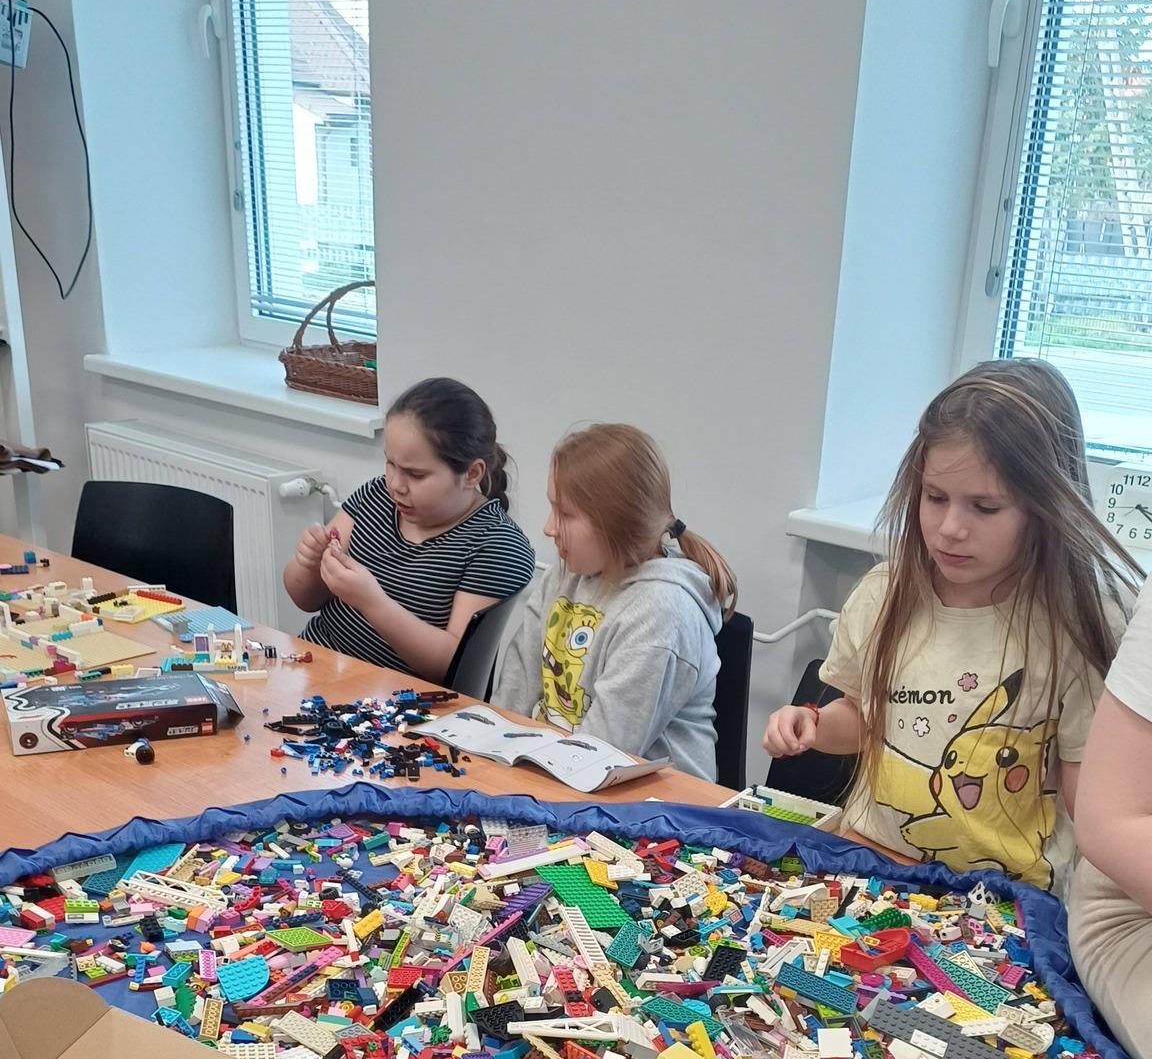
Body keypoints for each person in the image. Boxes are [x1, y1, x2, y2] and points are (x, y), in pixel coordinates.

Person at [761, 360, 1140, 891]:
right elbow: (865, 718)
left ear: (1047, 508)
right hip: (873, 864)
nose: (951, 528)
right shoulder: (884, 593)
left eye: (984, 507)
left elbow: (1096, 806)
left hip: (1005, 899)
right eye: (935, 497)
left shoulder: (1076, 626)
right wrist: (813, 724)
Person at [493, 423, 736, 777]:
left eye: (565, 514)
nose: (549, 528)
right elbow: (510, 704)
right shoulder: (566, 573)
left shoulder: (661, 610)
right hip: (556, 777)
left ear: (617, 522)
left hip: (648, 801)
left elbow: (601, 754)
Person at [284, 378, 535, 682]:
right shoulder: (375, 496)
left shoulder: (496, 545)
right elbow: (305, 599)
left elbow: (453, 665)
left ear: (472, 473)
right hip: (318, 667)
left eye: (416, 475)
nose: (395, 485)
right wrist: (309, 562)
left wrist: (372, 602)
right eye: (390, 464)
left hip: (398, 701)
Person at [1070, 579, 1152, 1059]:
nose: (952, 538)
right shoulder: (881, 595)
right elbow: (1105, 821)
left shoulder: (1076, 623)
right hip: (1129, 892)